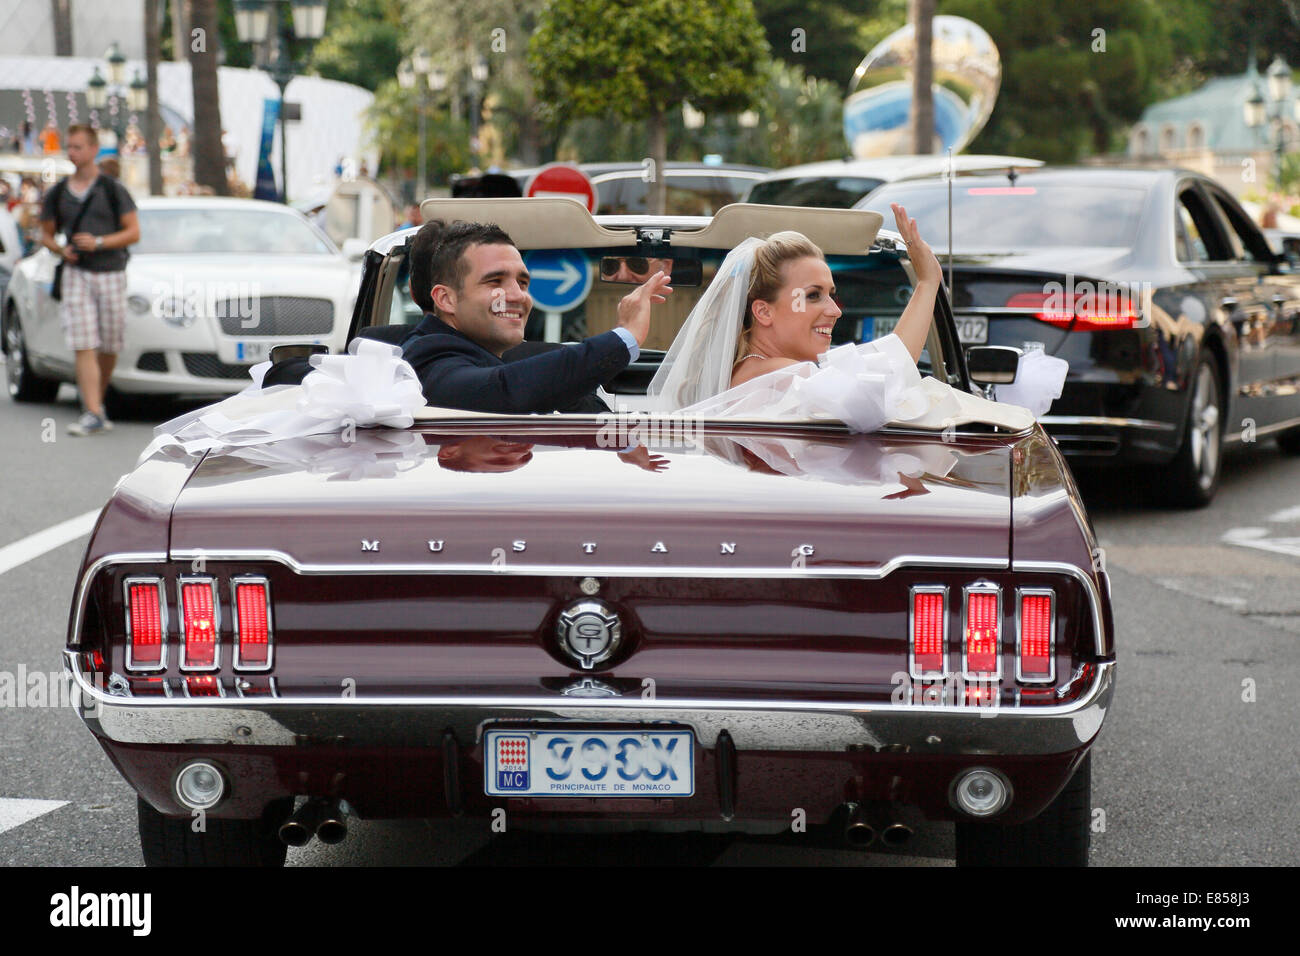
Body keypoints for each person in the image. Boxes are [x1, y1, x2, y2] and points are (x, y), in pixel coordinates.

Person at [647, 204, 1063, 430]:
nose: (834, 309)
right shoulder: (771, 377)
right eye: (813, 296)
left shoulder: (762, 371)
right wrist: (927, 283)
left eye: (832, 294)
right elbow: (888, 376)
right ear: (763, 311)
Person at [400, 219, 671, 414]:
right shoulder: (426, 356)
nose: (518, 295)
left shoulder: (482, 356)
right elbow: (505, 391)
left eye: (523, 283)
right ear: (446, 299)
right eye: (495, 282)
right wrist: (625, 336)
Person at [40, 124, 140, 436]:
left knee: (109, 344)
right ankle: (93, 410)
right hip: (76, 273)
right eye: (69, 147)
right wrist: (60, 248)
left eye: (78, 147)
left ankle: (96, 398)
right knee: (83, 343)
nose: (72, 153)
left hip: (110, 271)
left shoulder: (111, 189)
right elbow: (44, 233)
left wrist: (98, 242)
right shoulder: (58, 192)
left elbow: (133, 232)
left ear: (94, 149)